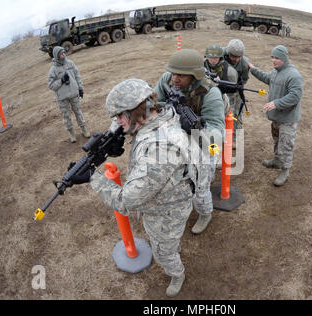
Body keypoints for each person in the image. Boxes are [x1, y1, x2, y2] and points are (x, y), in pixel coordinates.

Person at [86, 78, 195, 297]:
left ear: (135, 112)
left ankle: (177, 274)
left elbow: (126, 201)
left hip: (168, 211)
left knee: (163, 250)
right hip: (159, 199)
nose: (117, 122)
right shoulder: (156, 115)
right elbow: (121, 125)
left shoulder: (160, 150)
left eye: (119, 116)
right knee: (159, 241)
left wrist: (92, 178)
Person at [154, 49, 225, 235]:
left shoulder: (211, 93)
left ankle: (204, 213)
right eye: (173, 73)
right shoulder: (167, 80)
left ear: (195, 75)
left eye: (181, 75)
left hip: (203, 141)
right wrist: (169, 111)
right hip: (176, 139)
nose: (175, 79)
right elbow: (153, 105)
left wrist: (194, 131)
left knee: (201, 184)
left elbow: (217, 132)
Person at [248, 45, 303, 187]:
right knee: (277, 140)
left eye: (277, 58)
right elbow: (267, 78)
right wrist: (253, 69)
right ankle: (277, 161)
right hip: (276, 118)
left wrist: (277, 103)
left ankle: (285, 170)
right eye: (272, 57)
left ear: (284, 58)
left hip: (288, 119)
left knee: (286, 144)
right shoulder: (275, 72)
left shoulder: (293, 75)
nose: (274, 60)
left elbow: (295, 96)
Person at [48, 46, 90, 142]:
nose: (64, 55)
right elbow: (51, 86)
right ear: (57, 56)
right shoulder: (53, 70)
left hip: (74, 94)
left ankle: (84, 129)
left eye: (64, 53)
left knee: (78, 112)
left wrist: (80, 89)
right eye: (61, 54)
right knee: (66, 116)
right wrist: (61, 81)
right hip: (62, 98)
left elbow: (77, 76)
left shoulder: (70, 63)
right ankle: (72, 134)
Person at [223, 39, 250, 145]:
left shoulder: (244, 63)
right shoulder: (220, 55)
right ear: (228, 53)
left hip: (236, 91)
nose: (236, 59)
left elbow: (244, 79)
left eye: (239, 57)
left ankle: (236, 140)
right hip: (221, 89)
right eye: (234, 56)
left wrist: (235, 88)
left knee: (236, 115)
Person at [204, 44, 239, 116]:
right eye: (210, 57)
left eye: (216, 58)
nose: (213, 60)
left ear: (220, 58)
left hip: (224, 99)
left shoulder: (230, 72)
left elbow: (232, 96)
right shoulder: (201, 66)